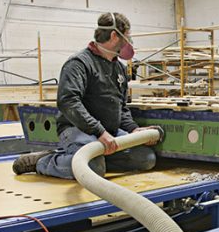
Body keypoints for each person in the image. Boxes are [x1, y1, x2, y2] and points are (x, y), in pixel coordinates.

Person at [12, 12, 160, 179]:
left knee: (146, 158)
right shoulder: (79, 64)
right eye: (126, 37)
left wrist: (133, 129)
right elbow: (69, 102)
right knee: (91, 167)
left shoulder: (118, 68)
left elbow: (121, 106)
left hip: (108, 132)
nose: (129, 42)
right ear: (114, 36)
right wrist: (99, 132)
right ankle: (44, 161)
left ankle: (91, 162)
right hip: (78, 129)